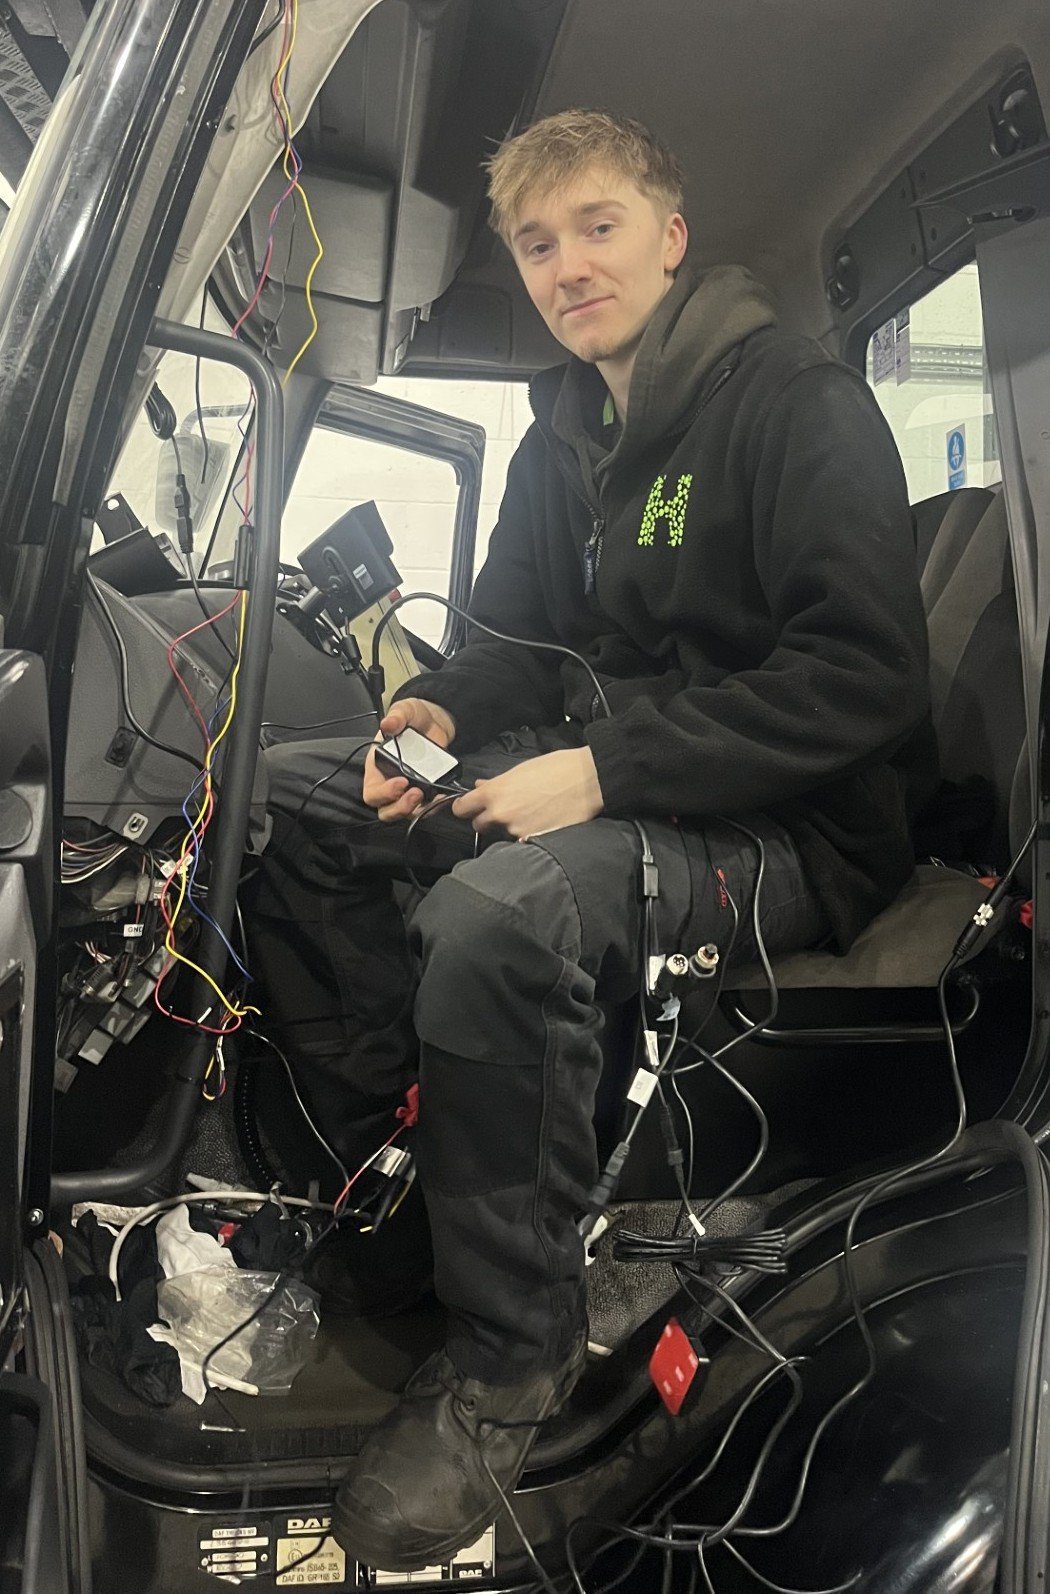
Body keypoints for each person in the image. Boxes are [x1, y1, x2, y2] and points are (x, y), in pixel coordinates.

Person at [247, 110, 937, 1570]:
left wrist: (602, 770)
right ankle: (410, 1199)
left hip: (797, 825)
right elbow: (513, 634)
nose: (568, 266)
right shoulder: (563, 431)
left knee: (501, 919)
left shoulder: (794, 401)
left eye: (599, 227)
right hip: (632, 781)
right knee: (294, 807)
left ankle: (512, 1363)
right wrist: (440, 706)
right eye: (538, 243)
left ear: (670, 237)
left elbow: (864, 677)